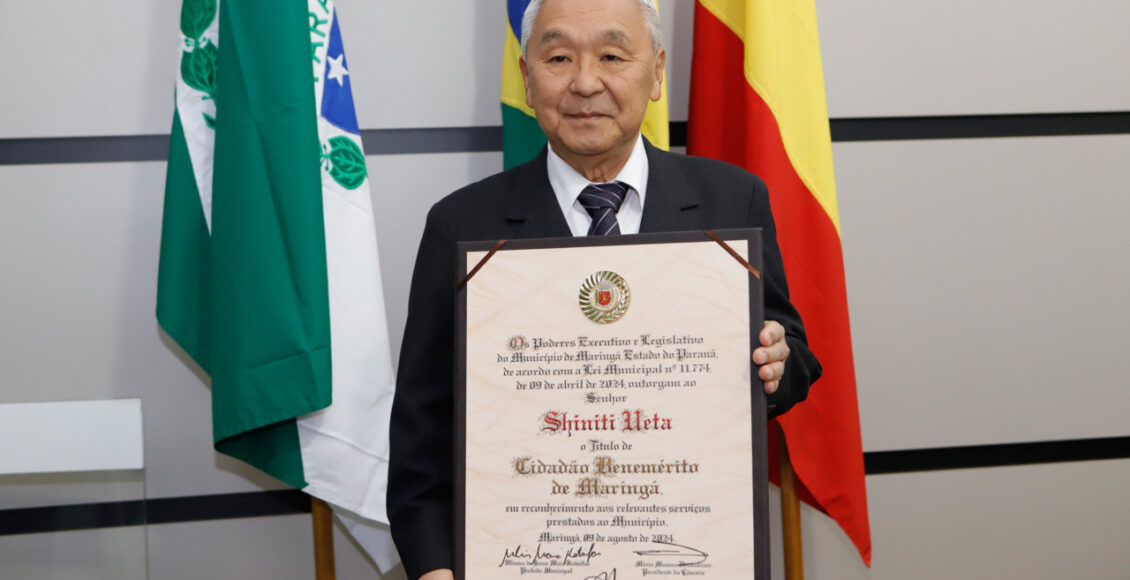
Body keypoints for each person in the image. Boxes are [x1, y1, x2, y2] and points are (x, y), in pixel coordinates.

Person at [388, 1, 822, 578]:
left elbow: (793, 358)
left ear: (658, 72)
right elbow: (422, 440)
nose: (585, 82)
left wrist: (777, 362)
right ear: (526, 76)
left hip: (689, 554)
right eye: (559, 57)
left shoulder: (730, 201)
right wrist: (434, 568)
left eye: (613, 56)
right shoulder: (460, 227)